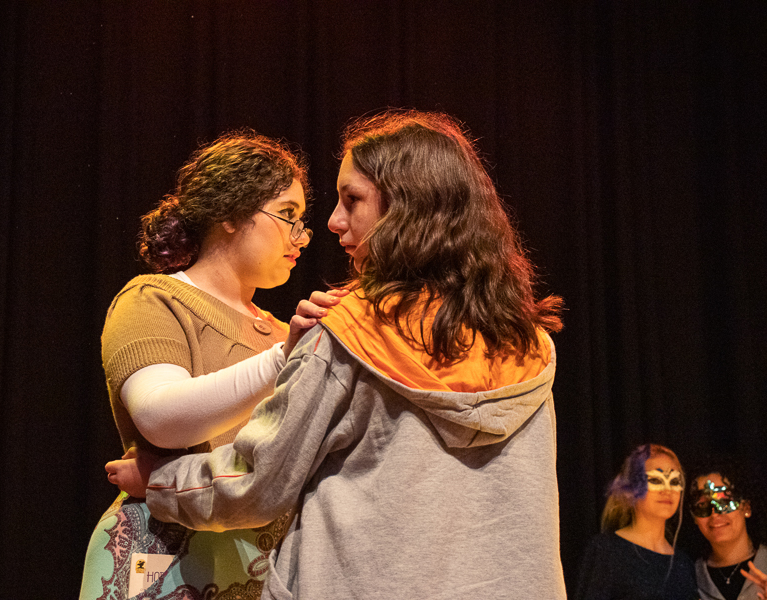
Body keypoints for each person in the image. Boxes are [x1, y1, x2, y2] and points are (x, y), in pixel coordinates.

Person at [106, 109, 567, 599]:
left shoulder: (351, 330)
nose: (331, 222)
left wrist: (161, 480)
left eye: (353, 199)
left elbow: (258, 482)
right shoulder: (528, 344)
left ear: (407, 207)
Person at [79, 131, 339, 600]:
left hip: (258, 563)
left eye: (302, 221)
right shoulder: (154, 299)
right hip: (164, 556)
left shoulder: (286, 333)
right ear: (231, 213)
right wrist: (284, 357)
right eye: (287, 215)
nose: (300, 236)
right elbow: (161, 418)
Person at [574, 443, 699, 600]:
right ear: (632, 488)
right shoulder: (606, 552)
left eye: (674, 481)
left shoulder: (683, 563)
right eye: (656, 480)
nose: (667, 490)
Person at [687, 457, 767, 600]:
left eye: (724, 501)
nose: (714, 513)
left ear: (746, 507)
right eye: (702, 504)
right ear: (693, 516)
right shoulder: (688, 577)